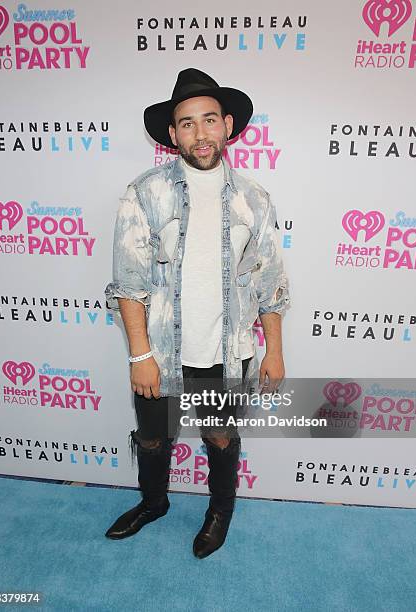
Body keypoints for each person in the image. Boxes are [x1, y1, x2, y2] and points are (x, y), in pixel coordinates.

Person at [104, 68, 290, 558]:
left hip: (227, 352)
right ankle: (154, 502)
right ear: (172, 134)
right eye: (187, 123)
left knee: (221, 436)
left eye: (209, 120)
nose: (200, 133)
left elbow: (270, 282)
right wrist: (139, 353)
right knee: (152, 437)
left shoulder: (255, 199)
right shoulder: (144, 193)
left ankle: (219, 512)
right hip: (161, 351)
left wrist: (275, 351)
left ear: (227, 125)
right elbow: (129, 282)